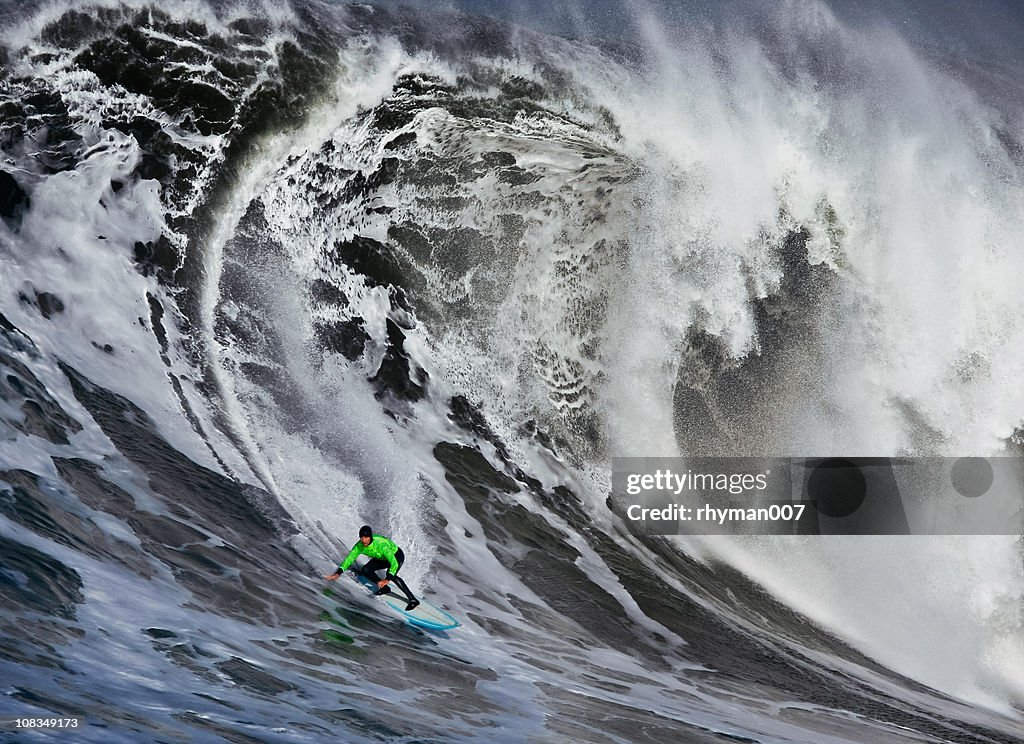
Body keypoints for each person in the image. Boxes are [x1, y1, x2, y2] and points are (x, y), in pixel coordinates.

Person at [324, 525, 420, 611]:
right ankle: (385, 588)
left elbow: (394, 563)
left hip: (396, 555)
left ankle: (413, 600)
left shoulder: (381, 545)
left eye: (366, 537)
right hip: (381, 558)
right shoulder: (359, 546)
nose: (363, 540)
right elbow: (349, 559)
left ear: (370, 537)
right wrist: (338, 573)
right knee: (366, 570)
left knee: (392, 575)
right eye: (361, 537)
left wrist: (387, 579)